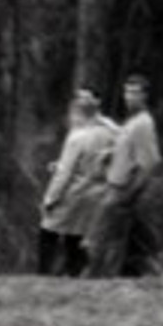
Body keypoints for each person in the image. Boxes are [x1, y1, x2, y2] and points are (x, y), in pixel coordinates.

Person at [86, 75, 162, 277]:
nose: (129, 97)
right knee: (112, 237)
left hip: (122, 188)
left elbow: (150, 162)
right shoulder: (133, 122)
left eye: (135, 93)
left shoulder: (144, 123)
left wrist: (130, 192)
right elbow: (127, 146)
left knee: (105, 239)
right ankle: (102, 277)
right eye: (127, 92)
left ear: (145, 96)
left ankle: (98, 279)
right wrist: (109, 154)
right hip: (114, 185)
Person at [39, 90, 116, 276]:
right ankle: (75, 276)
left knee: (48, 232)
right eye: (78, 98)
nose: (79, 102)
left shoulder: (77, 136)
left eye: (83, 98)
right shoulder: (109, 132)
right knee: (75, 236)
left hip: (73, 194)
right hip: (96, 193)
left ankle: (43, 276)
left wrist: (50, 199)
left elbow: (64, 174)